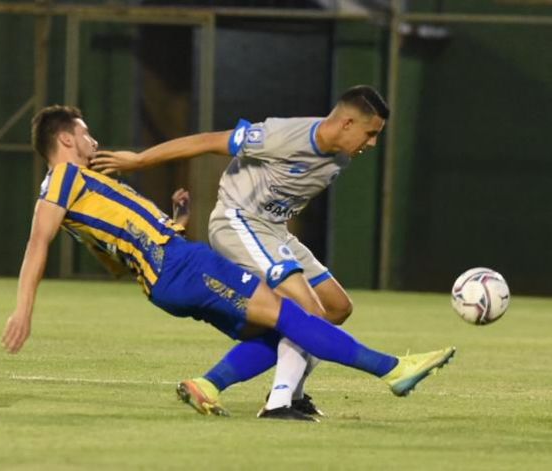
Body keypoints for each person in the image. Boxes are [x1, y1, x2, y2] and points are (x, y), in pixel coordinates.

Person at [2, 105, 455, 422]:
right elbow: (36, 243)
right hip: (181, 266)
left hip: (168, 276)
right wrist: (23, 309)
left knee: (279, 332)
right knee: (292, 316)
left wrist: (173, 221)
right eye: (85, 133)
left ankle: (209, 384)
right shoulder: (62, 178)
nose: (93, 139)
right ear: (66, 138)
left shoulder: (90, 186)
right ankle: (392, 369)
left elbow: (117, 265)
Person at [90, 85, 391, 420]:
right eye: (371, 133)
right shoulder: (283, 135)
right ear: (347, 123)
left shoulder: (340, 155)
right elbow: (207, 141)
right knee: (308, 313)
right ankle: (281, 402)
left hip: (274, 230)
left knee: (336, 308)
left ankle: (266, 388)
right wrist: (140, 160)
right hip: (239, 221)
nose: (373, 143)